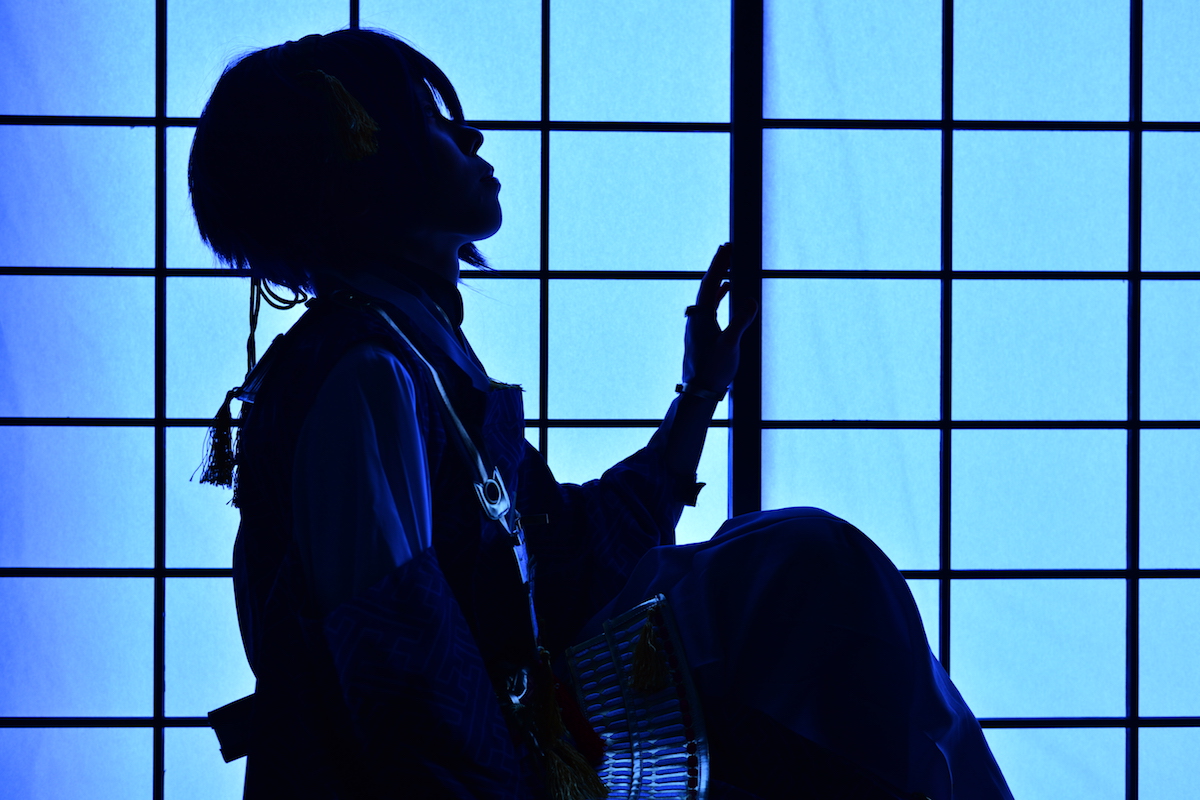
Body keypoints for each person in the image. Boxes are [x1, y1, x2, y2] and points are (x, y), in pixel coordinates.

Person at [191, 29, 1013, 800]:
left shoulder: (412, 358)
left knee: (804, 568)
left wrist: (700, 393)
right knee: (813, 581)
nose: (471, 137)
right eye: (433, 123)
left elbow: (572, 558)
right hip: (482, 770)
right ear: (364, 159)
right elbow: (402, 675)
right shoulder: (360, 374)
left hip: (522, 740)